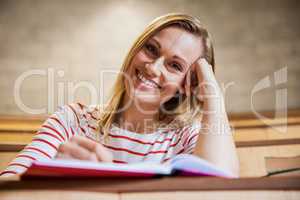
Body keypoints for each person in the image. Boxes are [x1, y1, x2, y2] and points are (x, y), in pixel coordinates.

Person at [1, 13, 239, 177]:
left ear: (187, 84)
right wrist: (56, 175)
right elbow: (9, 186)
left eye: (175, 66)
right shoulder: (72, 120)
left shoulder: (187, 137)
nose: (153, 68)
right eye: (151, 49)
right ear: (136, 49)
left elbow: (220, 190)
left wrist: (212, 93)